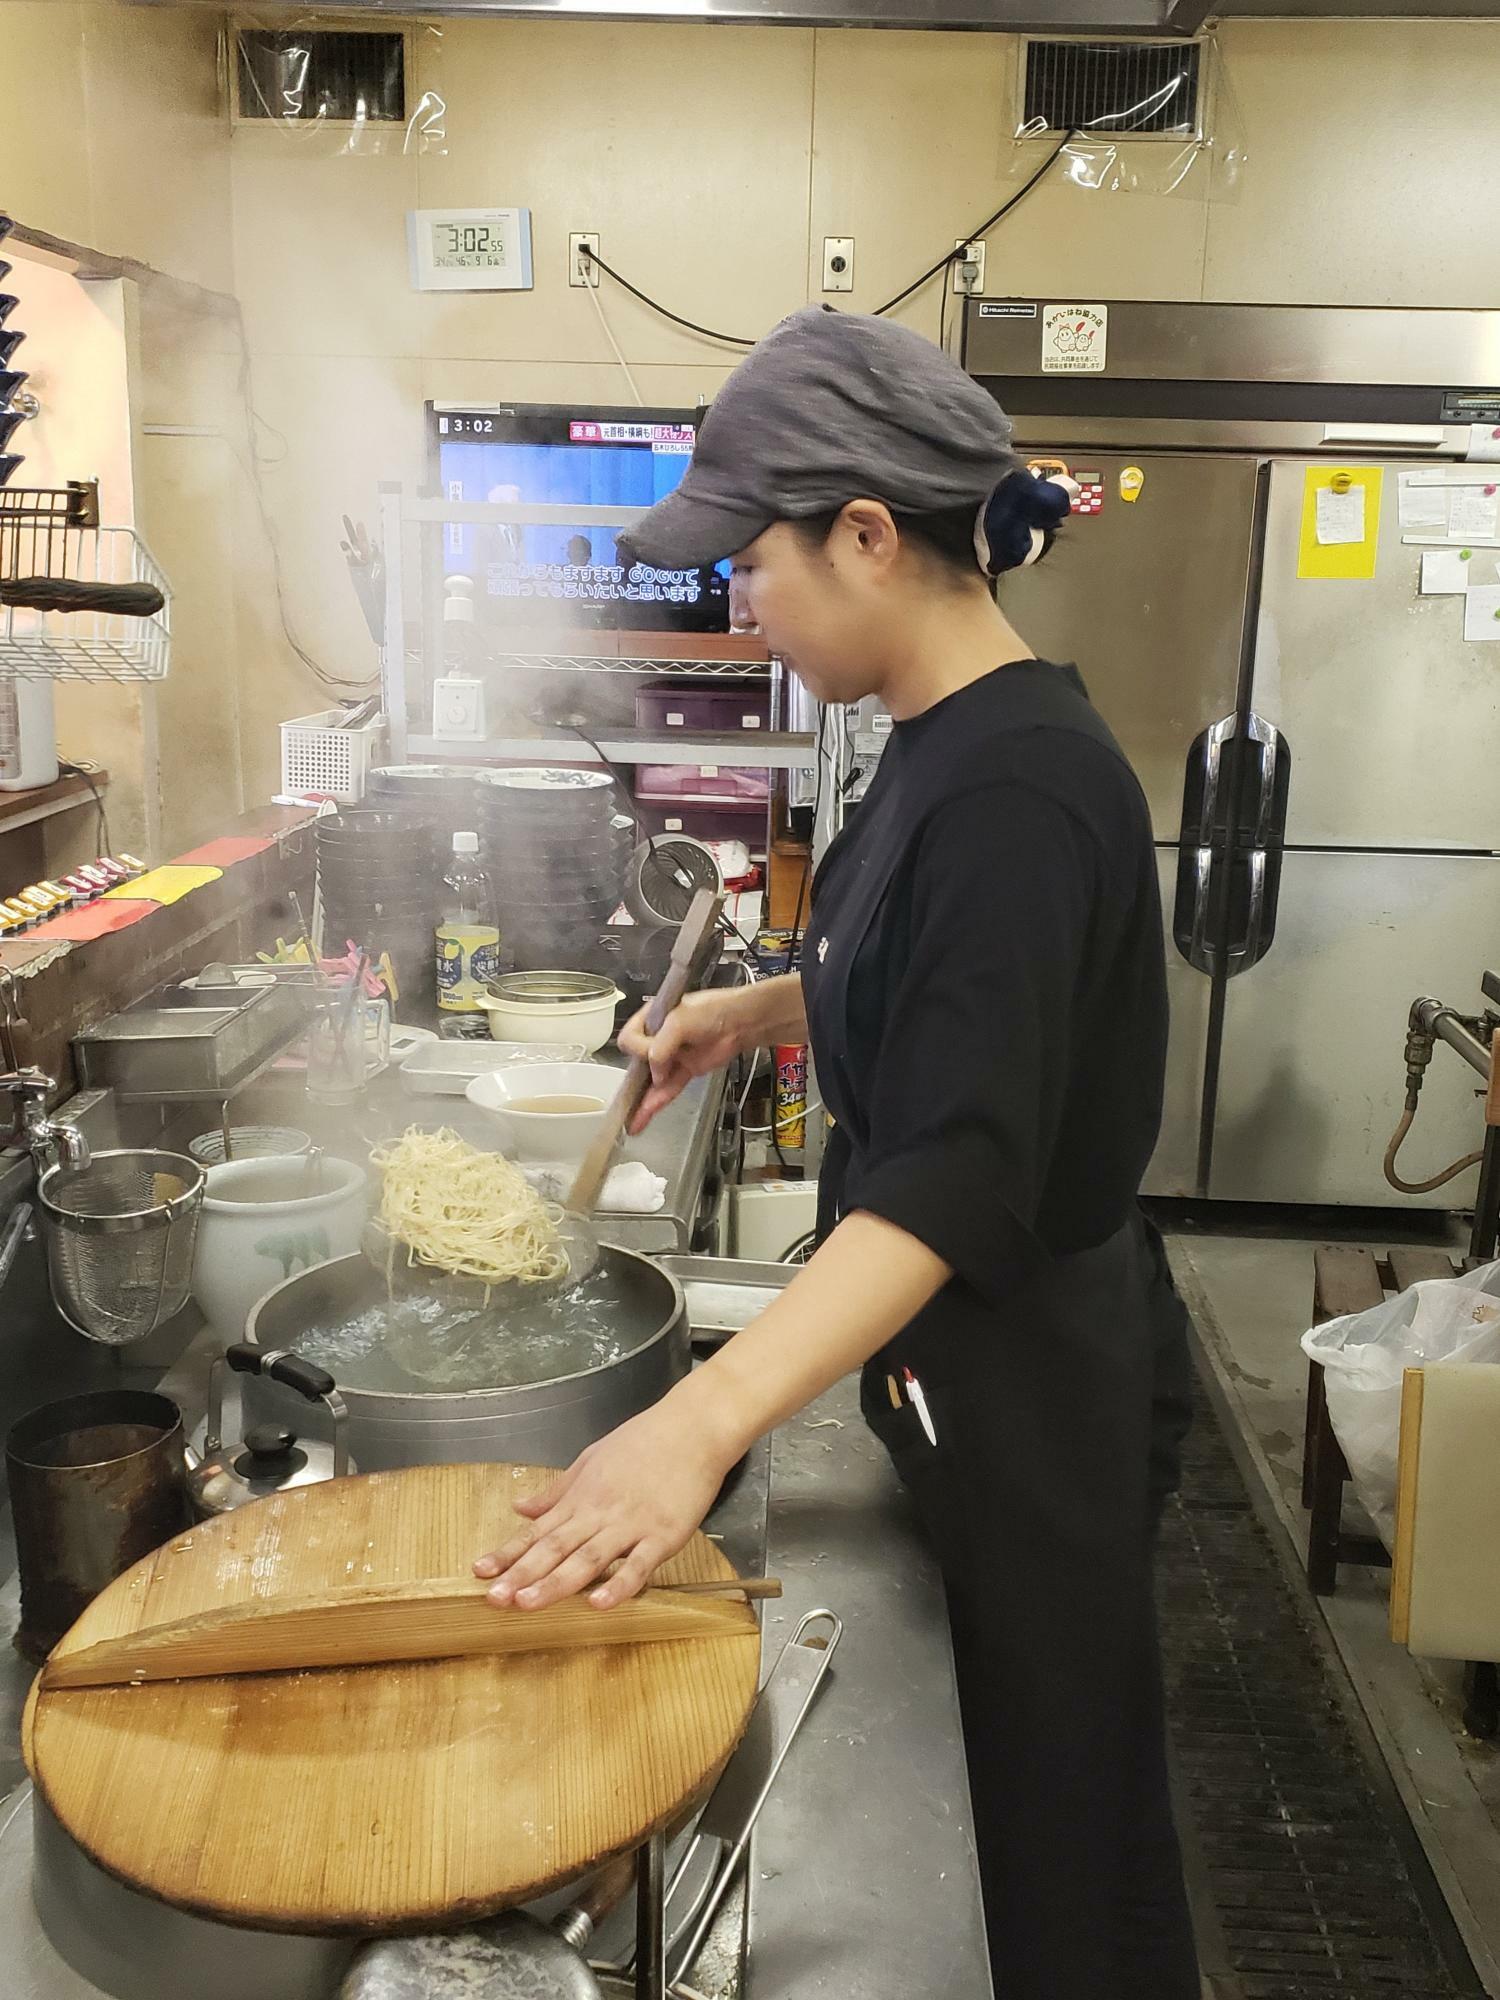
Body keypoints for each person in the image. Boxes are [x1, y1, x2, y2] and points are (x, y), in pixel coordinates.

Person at [474, 304, 1201, 1999]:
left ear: (868, 535)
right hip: (966, 1380)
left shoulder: (1019, 785)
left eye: (755, 559)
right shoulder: (953, 742)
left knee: (1061, 1839)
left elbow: (958, 1168)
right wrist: (752, 1015)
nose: (739, 601)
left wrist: (696, 1423)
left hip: (1037, 1401)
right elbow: (925, 982)